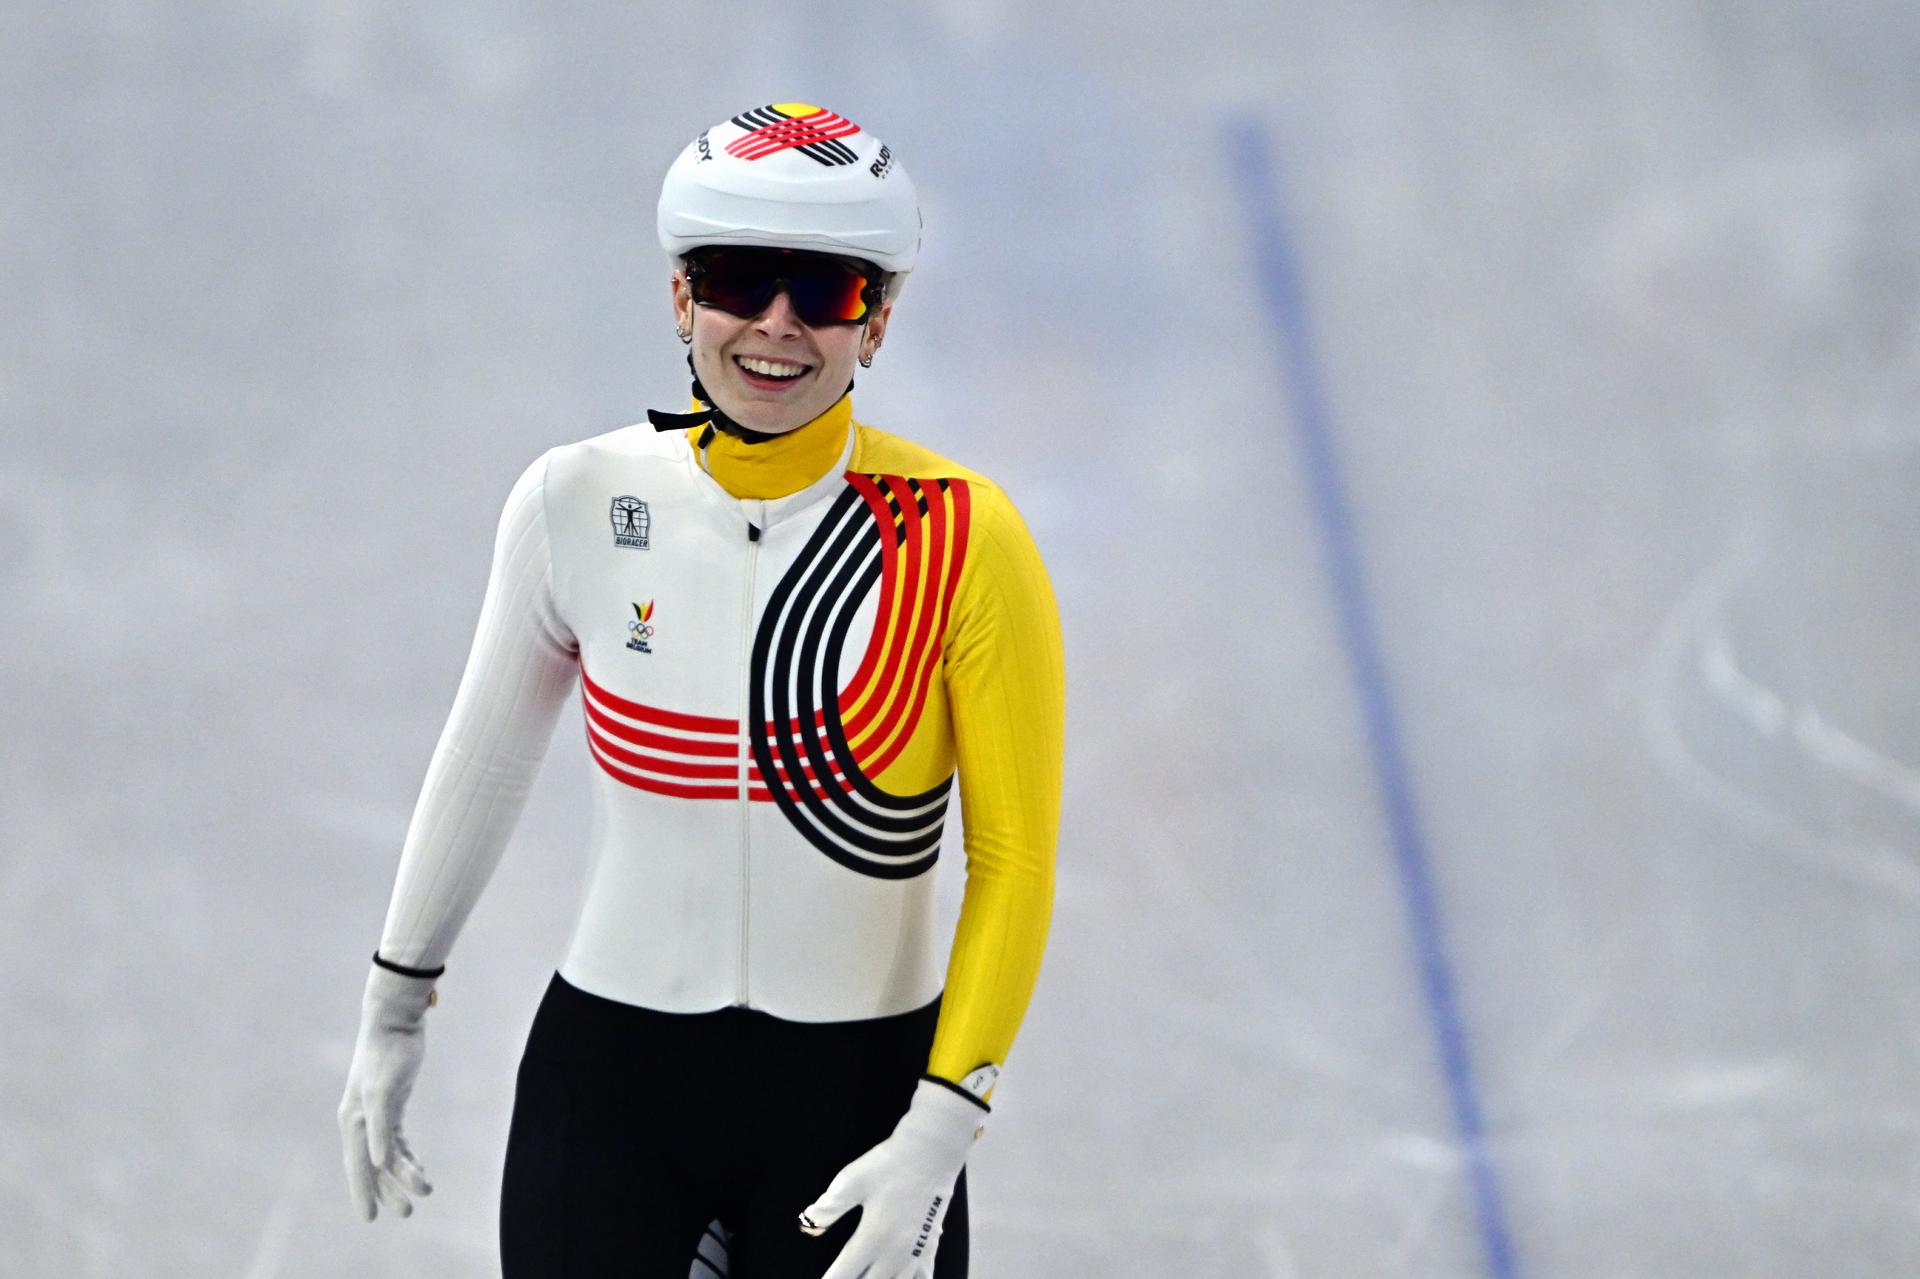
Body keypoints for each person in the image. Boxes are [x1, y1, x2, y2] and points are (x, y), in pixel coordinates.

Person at [335, 102, 1066, 1278]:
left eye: (824, 291)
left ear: (875, 319)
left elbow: (1017, 861)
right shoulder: (573, 501)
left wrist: (936, 1133)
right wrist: (393, 1007)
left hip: (861, 1102)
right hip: (613, 1089)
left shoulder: (963, 537)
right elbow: (483, 763)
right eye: (737, 282)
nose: (775, 327)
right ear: (683, 300)